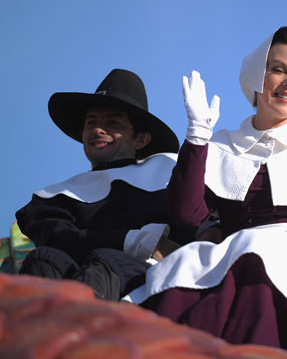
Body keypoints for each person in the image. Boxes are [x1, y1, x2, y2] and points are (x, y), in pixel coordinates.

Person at [125, 27, 287, 358]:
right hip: (233, 256)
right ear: (257, 75)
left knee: (257, 251)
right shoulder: (225, 145)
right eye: (278, 70)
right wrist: (198, 138)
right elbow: (186, 214)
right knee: (185, 266)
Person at [16, 68, 196, 301]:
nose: (98, 130)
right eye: (91, 122)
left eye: (113, 123)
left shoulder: (172, 174)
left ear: (141, 139)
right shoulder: (55, 198)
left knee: (106, 262)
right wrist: (134, 241)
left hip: (159, 280)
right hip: (81, 280)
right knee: (42, 260)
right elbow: (58, 240)